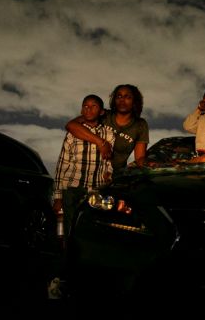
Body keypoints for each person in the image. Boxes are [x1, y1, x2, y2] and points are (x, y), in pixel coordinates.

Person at [49, 94, 115, 299]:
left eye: (93, 106)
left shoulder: (108, 133)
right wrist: (58, 195)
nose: (88, 109)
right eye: (85, 106)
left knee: (92, 233)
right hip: (72, 189)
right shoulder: (72, 134)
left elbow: (107, 162)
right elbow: (62, 164)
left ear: (101, 111)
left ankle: (89, 280)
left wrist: (108, 176)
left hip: (94, 190)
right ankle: (62, 278)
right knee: (68, 234)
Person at [66, 84, 149, 175]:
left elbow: (139, 158)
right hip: (86, 173)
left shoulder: (140, 125)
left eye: (127, 97)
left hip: (114, 177)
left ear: (134, 101)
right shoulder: (102, 114)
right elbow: (71, 125)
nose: (122, 100)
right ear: (114, 100)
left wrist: (150, 164)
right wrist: (100, 142)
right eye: (119, 96)